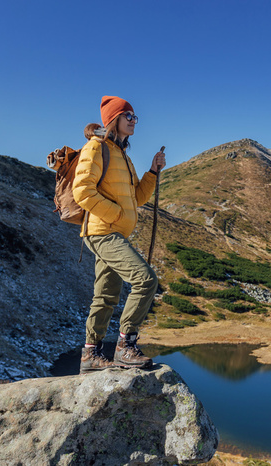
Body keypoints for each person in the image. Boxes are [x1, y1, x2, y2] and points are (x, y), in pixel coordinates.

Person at [72, 96, 166, 372]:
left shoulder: (122, 155)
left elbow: (136, 197)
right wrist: (115, 215)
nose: (134, 121)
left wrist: (152, 171)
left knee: (106, 296)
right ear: (114, 119)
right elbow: (82, 191)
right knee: (146, 280)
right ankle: (126, 346)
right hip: (103, 231)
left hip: (113, 233)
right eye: (129, 116)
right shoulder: (96, 147)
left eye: (135, 117)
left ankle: (91, 354)